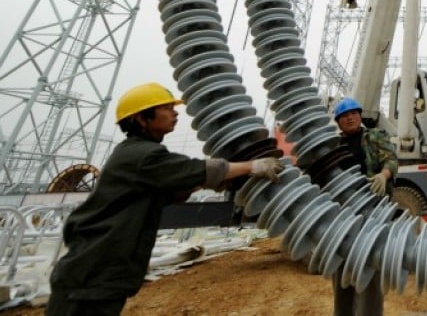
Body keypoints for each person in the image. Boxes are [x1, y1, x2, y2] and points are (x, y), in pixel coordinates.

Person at [47, 82, 284, 316]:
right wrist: (252, 166)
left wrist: (205, 181)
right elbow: (194, 169)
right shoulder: (142, 155)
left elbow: (174, 186)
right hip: (90, 277)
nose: (174, 113)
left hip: (98, 272)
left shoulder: (137, 154)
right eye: (166, 108)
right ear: (142, 118)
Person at [331, 96, 399, 316]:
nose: (349, 118)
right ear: (338, 121)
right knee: (341, 273)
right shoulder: (333, 146)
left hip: (372, 215)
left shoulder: (375, 136)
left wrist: (383, 175)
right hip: (343, 216)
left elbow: (391, 159)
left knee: (370, 270)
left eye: (352, 114)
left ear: (359, 116)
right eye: (343, 116)